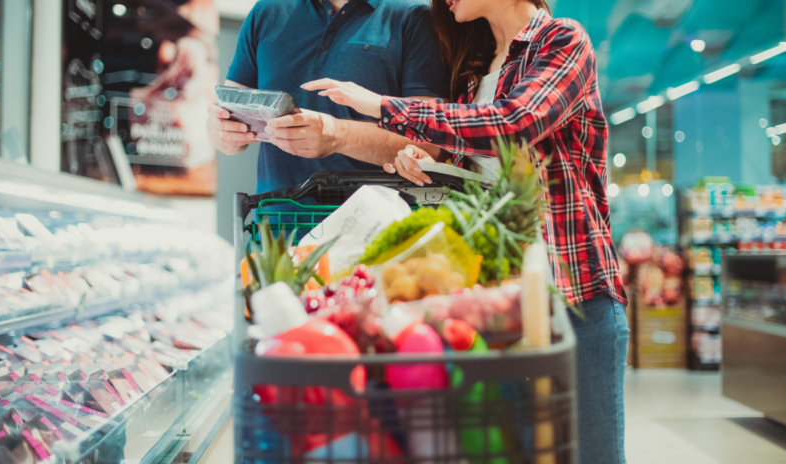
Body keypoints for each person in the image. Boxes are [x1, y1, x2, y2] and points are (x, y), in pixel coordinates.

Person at [303, 1, 629, 462]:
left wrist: (380, 105)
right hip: (501, 303)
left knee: (591, 455)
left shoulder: (561, 40)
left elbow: (516, 125)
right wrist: (427, 166)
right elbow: (476, 173)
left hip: (575, 295)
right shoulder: (475, 77)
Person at [207, 0, 450, 196]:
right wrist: (223, 132)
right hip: (276, 230)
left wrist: (337, 135)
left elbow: (432, 143)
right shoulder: (266, 11)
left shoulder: (415, 17)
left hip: (378, 234)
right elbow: (224, 115)